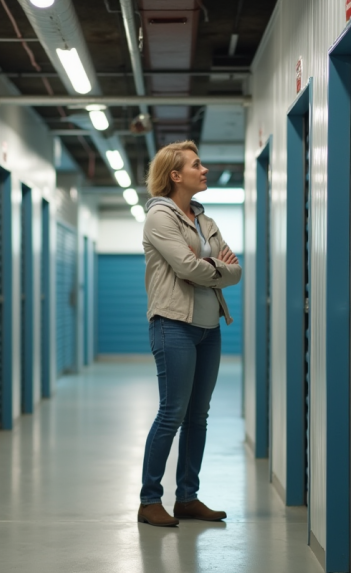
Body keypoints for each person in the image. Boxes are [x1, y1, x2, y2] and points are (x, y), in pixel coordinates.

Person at [137, 140, 242, 527]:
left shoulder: (205, 221)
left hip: (209, 328)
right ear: (175, 175)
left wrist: (209, 264)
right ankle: (150, 500)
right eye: (197, 165)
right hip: (172, 325)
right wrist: (215, 265)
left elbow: (236, 270)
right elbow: (186, 268)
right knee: (172, 414)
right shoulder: (160, 218)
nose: (205, 170)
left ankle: (187, 497)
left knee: (199, 416)